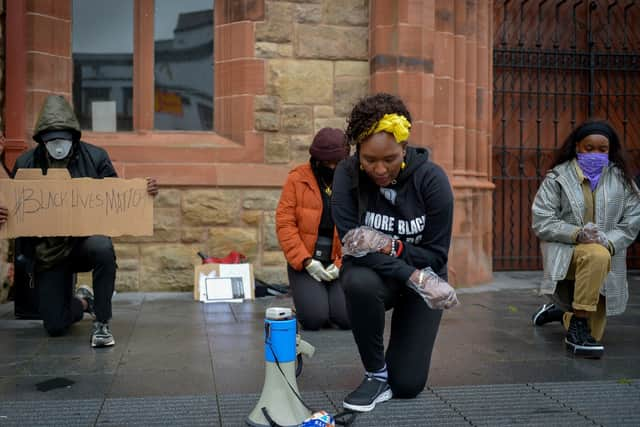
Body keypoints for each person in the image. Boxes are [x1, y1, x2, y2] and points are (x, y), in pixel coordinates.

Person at [331, 93, 457, 412]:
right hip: (380, 275)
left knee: (406, 385)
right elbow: (353, 248)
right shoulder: (346, 176)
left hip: (424, 280)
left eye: (389, 158)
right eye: (369, 159)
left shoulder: (432, 181)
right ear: (358, 151)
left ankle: (393, 375)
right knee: (358, 281)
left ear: (404, 148)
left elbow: (436, 256)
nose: (379, 168)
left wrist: (392, 246)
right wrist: (409, 270)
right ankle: (375, 373)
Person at [0, 95, 159, 347]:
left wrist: (143, 193)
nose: (58, 144)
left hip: (83, 243)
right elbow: (14, 206)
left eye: (63, 137)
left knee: (102, 247)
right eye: (51, 139)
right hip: (47, 250)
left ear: (74, 136)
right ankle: (84, 302)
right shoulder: (26, 162)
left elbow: (117, 196)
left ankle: (102, 323)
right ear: (41, 139)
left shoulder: (95, 157)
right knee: (54, 325)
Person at [531, 119, 640, 358]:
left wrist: (608, 241)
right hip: (567, 254)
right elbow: (542, 220)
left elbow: (632, 221)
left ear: (610, 151)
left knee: (596, 333)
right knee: (595, 254)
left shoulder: (623, 181)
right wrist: (576, 233)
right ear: (577, 147)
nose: (595, 154)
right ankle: (577, 324)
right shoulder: (557, 178)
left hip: (604, 258)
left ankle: (562, 312)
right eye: (588, 148)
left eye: (603, 150)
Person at [275, 127, 351, 331]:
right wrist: (306, 261)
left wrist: (342, 262)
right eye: (328, 163)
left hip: (340, 262)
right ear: (316, 159)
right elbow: (285, 223)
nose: (333, 167)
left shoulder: (354, 181)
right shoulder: (297, 179)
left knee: (346, 318)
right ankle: (311, 298)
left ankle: (330, 298)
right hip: (306, 261)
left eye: (338, 163)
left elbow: (360, 227)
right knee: (314, 319)